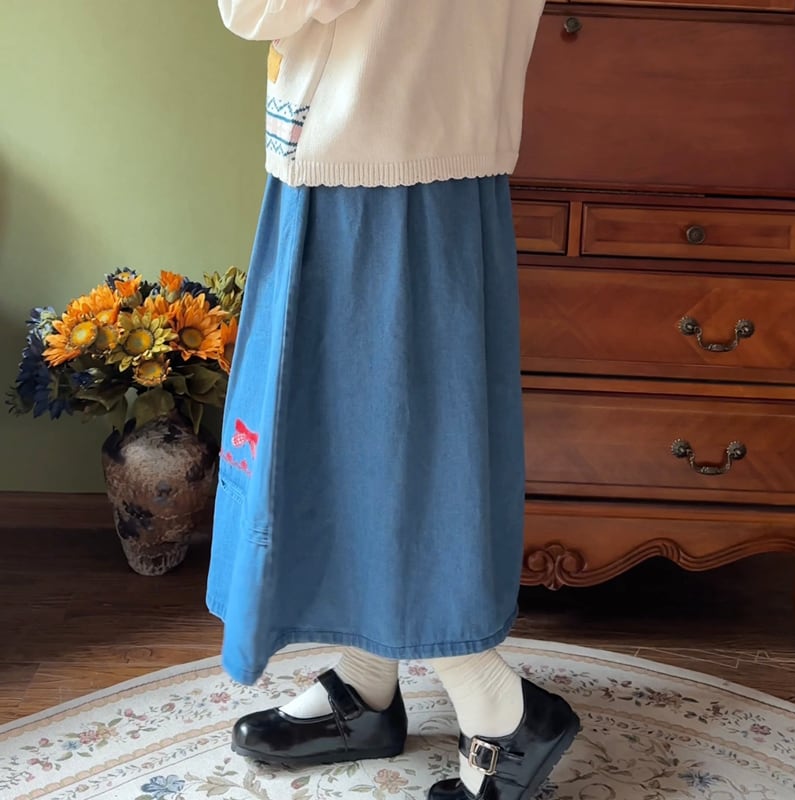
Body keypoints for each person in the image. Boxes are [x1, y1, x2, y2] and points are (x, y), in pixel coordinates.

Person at [208, 2, 579, 798]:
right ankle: (368, 679)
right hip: (430, 141)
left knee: (375, 452)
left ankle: (499, 707)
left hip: (371, 153)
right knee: (391, 444)